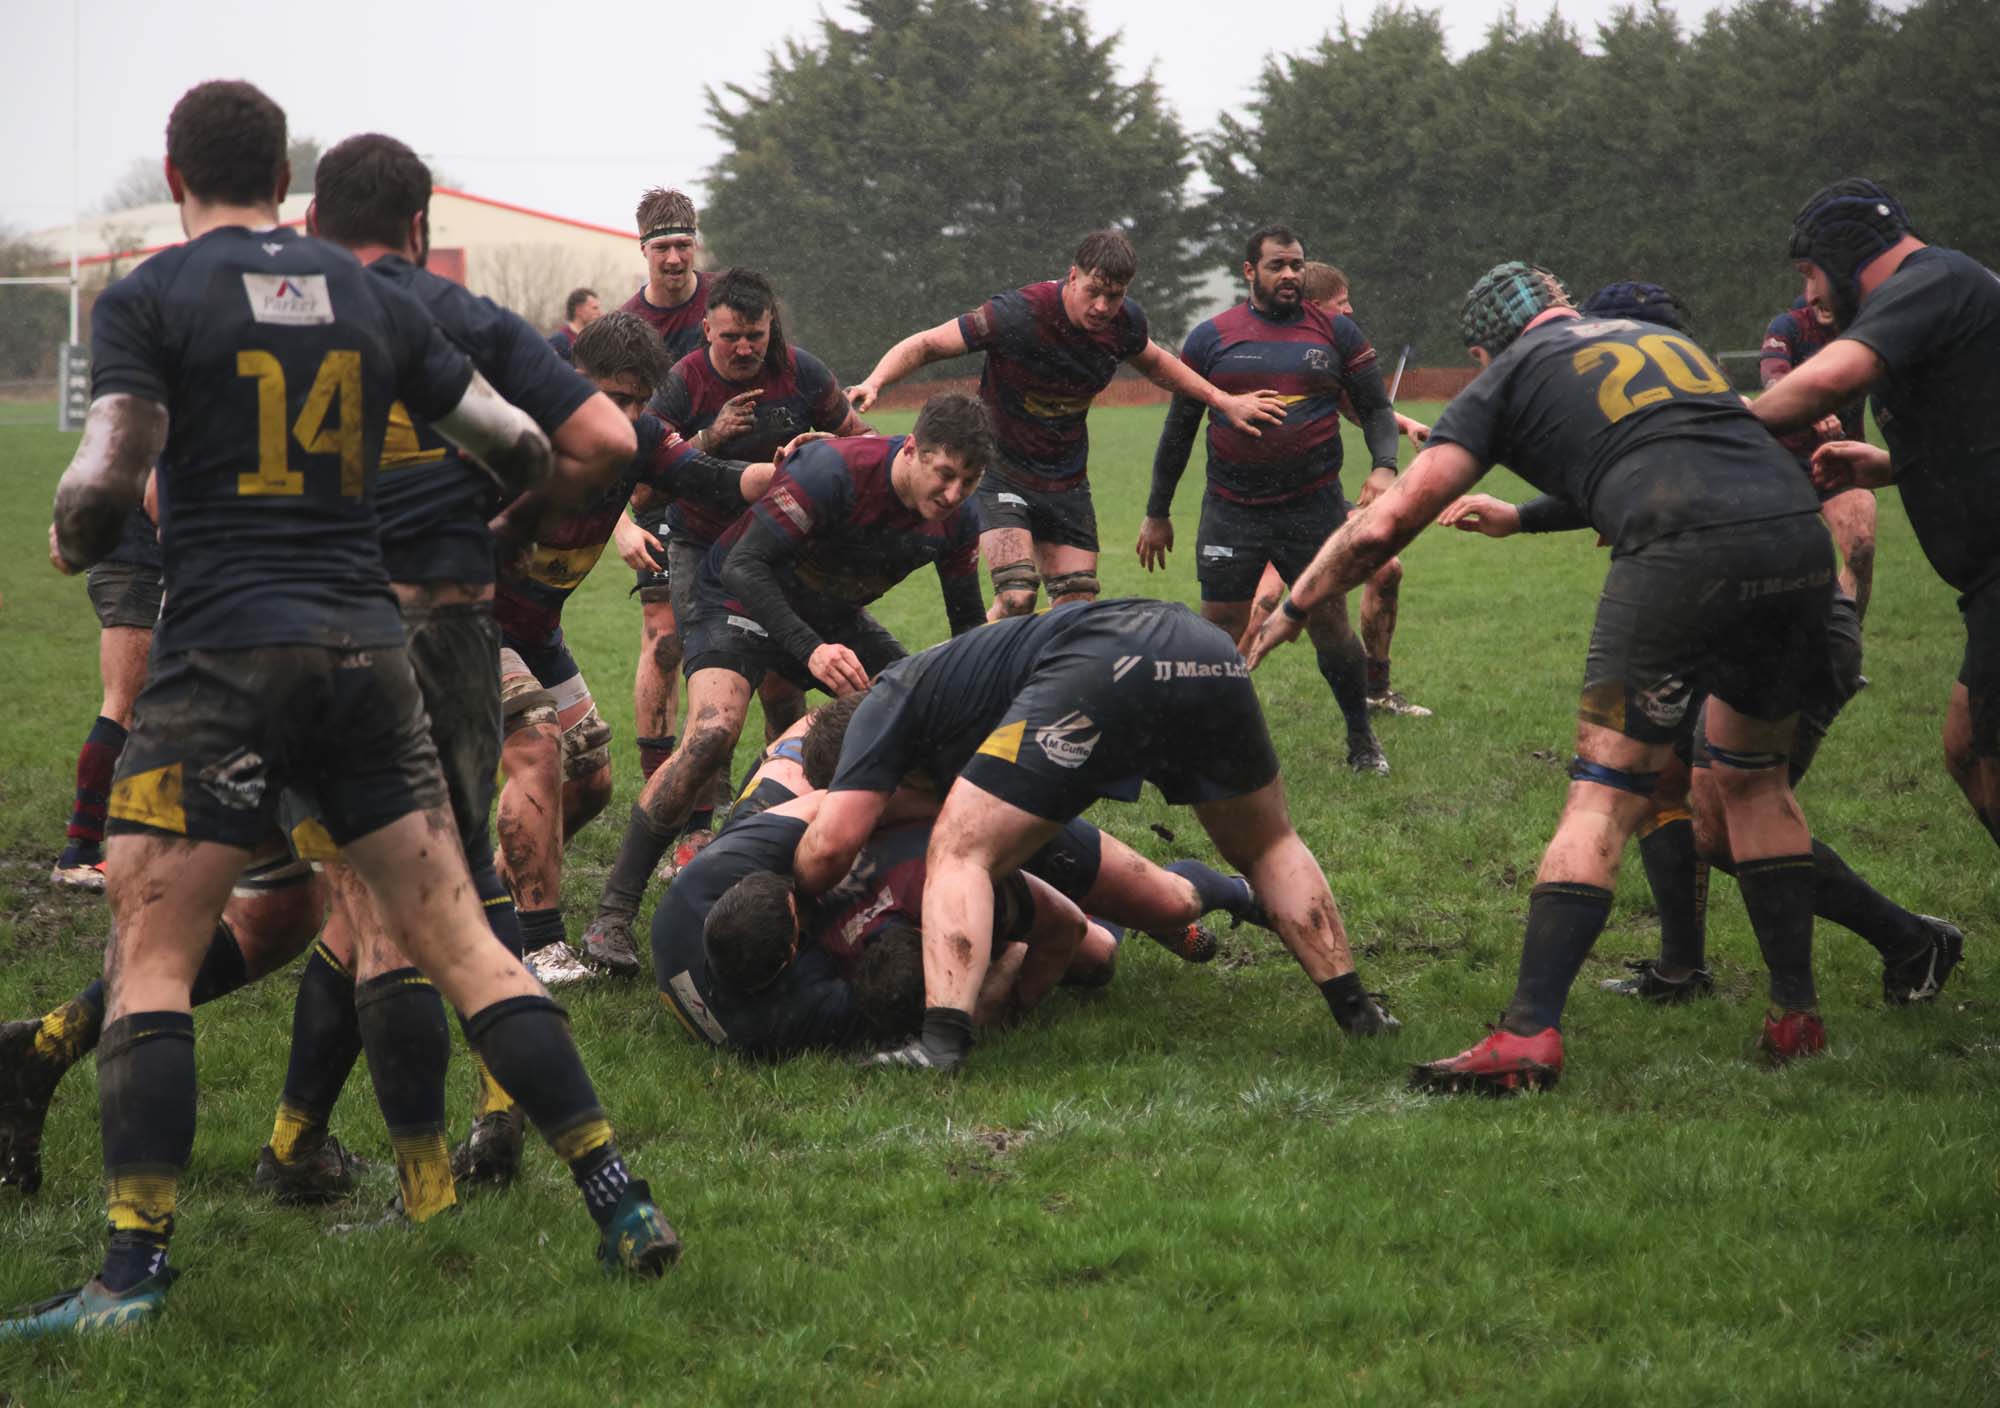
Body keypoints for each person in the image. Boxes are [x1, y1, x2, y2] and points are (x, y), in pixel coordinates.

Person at [8, 82, 678, 1339]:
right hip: (368, 656)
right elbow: (523, 448)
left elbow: (106, 484)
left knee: (154, 955)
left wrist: (70, 538)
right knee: (464, 937)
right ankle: (618, 1196)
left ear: (175, 173)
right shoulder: (373, 299)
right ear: (284, 179)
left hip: (222, 655)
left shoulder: (154, 295)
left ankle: (131, 1274)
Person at [1248, 260, 1839, 1092]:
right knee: (1755, 782)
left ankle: (1528, 1035)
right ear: (1564, 307)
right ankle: (1795, 1015)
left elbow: (1384, 525)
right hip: (1798, 538)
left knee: (1603, 795)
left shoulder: (1508, 374)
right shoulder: (1661, 340)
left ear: (1483, 350)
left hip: (1678, 547)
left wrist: (1295, 606)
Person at [245, 131, 634, 1207]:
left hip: (309, 624)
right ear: (420, 226)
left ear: (313, 219)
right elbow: (606, 442)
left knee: (367, 907)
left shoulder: (273, 311)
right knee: (451, 889)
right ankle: (496, 1150)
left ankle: (409, 1184)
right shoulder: (458, 317)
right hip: (450, 624)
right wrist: (505, 526)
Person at [790, 597, 1400, 1073]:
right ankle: (1357, 1011)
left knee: (959, 852)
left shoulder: (884, 705)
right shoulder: (952, 718)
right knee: (1266, 846)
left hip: (1105, 664)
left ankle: (941, 1045)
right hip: (1204, 650)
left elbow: (832, 845)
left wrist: (790, 886)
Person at [579, 393, 992, 976]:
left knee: (923, 725)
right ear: (911, 450)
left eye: (969, 482)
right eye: (944, 474)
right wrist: (810, 649)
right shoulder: (834, 472)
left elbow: (969, 625)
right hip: (737, 599)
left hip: (830, 616)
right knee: (713, 734)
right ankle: (613, 915)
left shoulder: (959, 521)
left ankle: (899, 885)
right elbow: (744, 564)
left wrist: (983, 695)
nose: (952, 494)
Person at [493, 310, 776, 980]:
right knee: (537, 745)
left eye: (638, 402)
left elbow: (713, 478)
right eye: (612, 398)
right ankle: (539, 944)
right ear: (572, 378)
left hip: (537, 632)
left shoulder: (640, 437)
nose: (624, 416)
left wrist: (790, 471)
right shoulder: (516, 435)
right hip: (467, 622)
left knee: (591, 781)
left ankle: (489, 889)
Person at [848, 229, 1286, 617]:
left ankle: (1034, 681)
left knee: (1076, 611)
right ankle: (965, 669)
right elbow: (928, 344)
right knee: (1017, 597)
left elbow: (1156, 362)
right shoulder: (1018, 313)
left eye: (1114, 296)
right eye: (1093, 291)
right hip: (1002, 471)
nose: (1102, 307)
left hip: (1066, 482)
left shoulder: (1125, 324)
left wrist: (1222, 400)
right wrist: (876, 380)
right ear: (1072, 276)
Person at [1750, 178, 2000, 856]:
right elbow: (1976, 431)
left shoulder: (1930, 280)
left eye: (1810, 272)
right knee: (1966, 751)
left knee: (1989, 758)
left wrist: (1719, 423)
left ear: (1845, 257)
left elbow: (1829, 379)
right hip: (1984, 585)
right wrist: (1889, 466)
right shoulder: (1935, 293)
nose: (1809, 295)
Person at [625, 266, 876, 868]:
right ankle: (696, 830)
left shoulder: (802, 372)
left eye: (755, 336)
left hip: (781, 550)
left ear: (771, 328)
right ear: (707, 329)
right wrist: (709, 438)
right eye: (731, 336)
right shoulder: (683, 382)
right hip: (701, 550)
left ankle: (776, 811)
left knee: (785, 692)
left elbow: (863, 441)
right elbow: (642, 491)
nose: (743, 348)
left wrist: (827, 448)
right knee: (714, 705)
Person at [1138, 226, 1400, 774]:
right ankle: (1209, 743)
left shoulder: (1336, 332)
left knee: (1329, 623)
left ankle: (1361, 739)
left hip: (1314, 508)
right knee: (1218, 627)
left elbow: (1376, 409)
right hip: (1231, 509)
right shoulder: (1210, 338)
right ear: (1249, 271)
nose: (1289, 275)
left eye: (1296, 265)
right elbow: (1179, 430)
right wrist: (1157, 511)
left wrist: (1383, 466)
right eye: (1277, 265)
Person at [618, 188, 713, 810]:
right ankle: (660, 782)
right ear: (643, 250)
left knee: (745, 629)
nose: (674, 258)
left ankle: (729, 771)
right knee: (665, 635)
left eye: (683, 244)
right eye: (662, 248)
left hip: (731, 482)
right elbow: (607, 426)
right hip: (657, 494)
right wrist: (622, 516)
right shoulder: (628, 329)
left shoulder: (726, 302)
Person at [51, 507, 162, 889]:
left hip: (137, 562)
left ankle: (150, 844)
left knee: (151, 707)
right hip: (139, 565)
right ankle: (80, 852)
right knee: (125, 706)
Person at [1761, 295, 1876, 618]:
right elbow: (1773, 379)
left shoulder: (1867, 329)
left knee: (1861, 547)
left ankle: (1845, 641)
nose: (1822, 300)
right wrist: (1812, 408)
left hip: (1841, 458)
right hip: (1785, 464)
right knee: (1785, 565)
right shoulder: (1788, 326)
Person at [547, 286, 602, 364]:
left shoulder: (594, 340)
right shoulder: (559, 341)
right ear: (579, 310)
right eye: (594, 308)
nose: (600, 313)